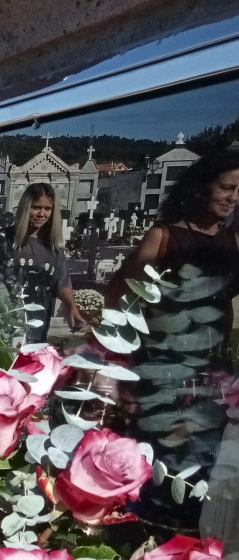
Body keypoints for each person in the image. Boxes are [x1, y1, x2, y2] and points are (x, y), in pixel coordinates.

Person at [107, 150, 239, 533]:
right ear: (202, 188)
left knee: (205, 463)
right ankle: (149, 533)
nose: (233, 197)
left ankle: (189, 535)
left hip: (211, 372)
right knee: (165, 458)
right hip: (165, 368)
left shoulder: (232, 240)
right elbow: (124, 298)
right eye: (226, 187)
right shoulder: (164, 236)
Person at [7, 183, 86, 342]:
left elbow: (62, 281)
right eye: (36, 207)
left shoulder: (53, 247)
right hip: (7, 322)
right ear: (25, 207)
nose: (41, 214)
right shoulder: (5, 240)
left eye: (47, 209)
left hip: (38, 324)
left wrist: (71, 307)